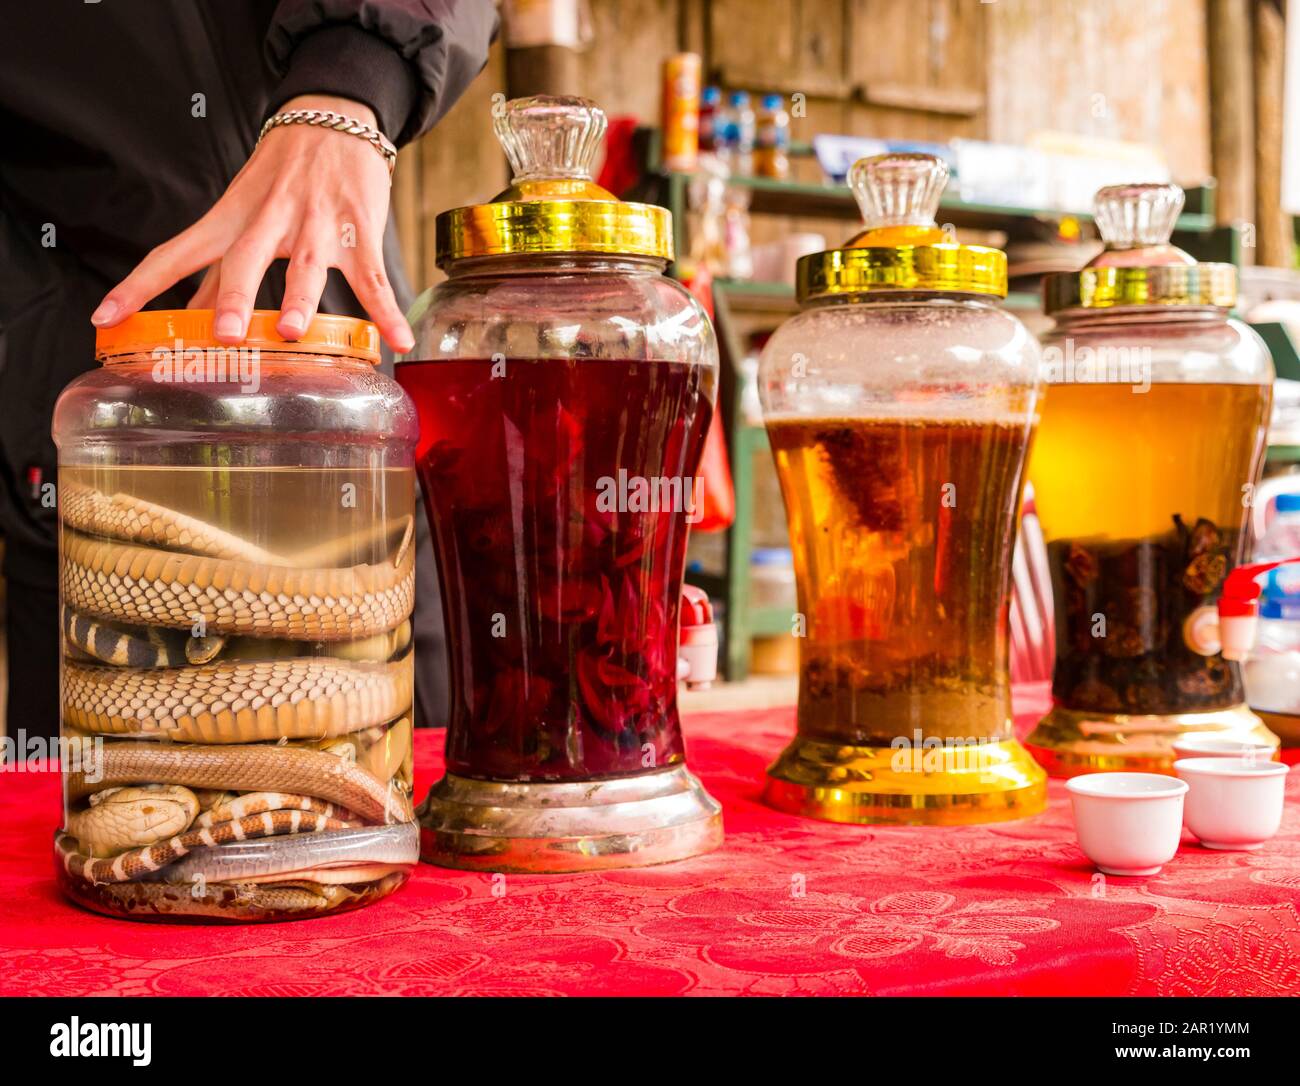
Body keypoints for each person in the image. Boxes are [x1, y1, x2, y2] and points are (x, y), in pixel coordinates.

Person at [0, 1, 499, 741]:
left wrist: (349, 82)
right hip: (86, 481)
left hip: (362, 456)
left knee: (391, 801)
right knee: (111, 827)